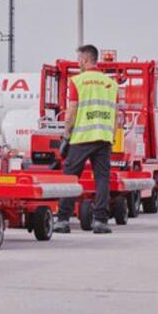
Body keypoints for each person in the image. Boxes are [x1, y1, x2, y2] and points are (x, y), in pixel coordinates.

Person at [53, 44, 118, 235]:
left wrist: (66, 135)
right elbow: (115, 114)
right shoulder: (110, 83)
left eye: (79, 59)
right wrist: (112, 137)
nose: (78, 62)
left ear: (85, 59)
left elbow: (72, 110)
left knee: (70, 178)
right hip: (104, 138)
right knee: (102, 179)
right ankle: (100, 221)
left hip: (81, 138)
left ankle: (63, 220)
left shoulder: (78, 81)